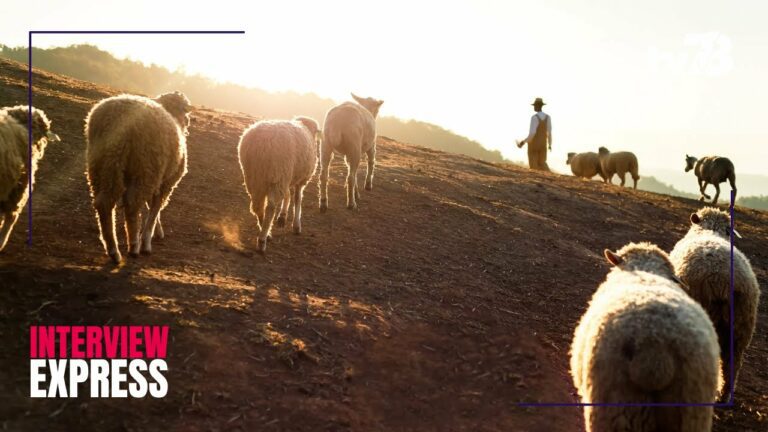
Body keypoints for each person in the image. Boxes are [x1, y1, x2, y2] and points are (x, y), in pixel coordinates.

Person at [517, 97, 552, 171]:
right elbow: (549, 132)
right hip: (543, 144)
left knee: (534, 166)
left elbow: (532, 133)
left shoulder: (534, 118)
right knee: (542, 164)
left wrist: (523, 142)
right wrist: (550, 144)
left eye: (535, 106)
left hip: (534, 145)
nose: (534, 107)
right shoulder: (548, 117)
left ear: (537, 106)